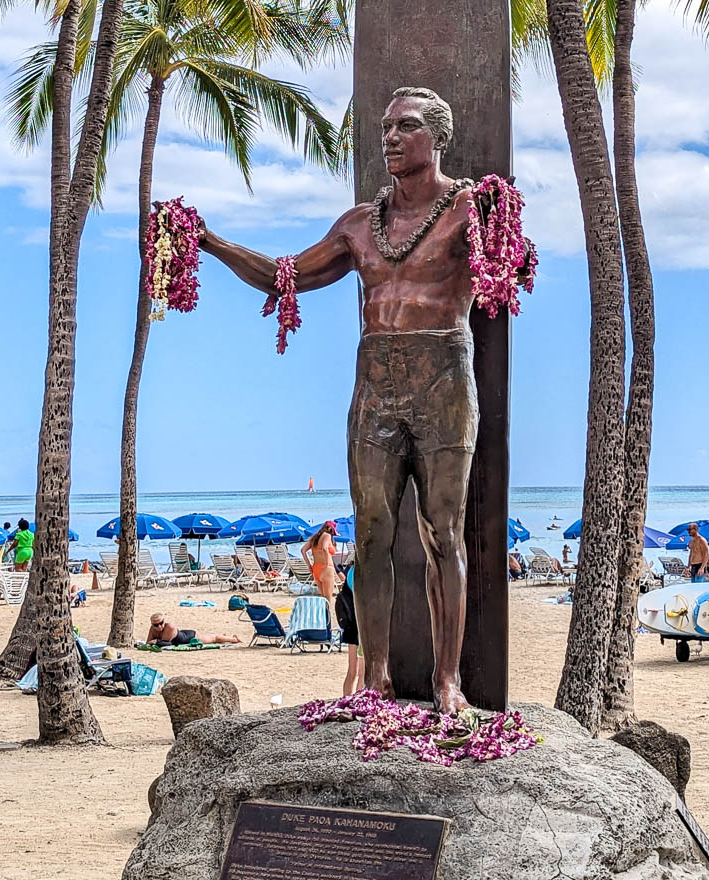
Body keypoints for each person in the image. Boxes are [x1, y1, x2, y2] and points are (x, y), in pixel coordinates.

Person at [199, 87, 533, 713]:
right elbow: (285, 276)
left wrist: (500, 221)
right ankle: (375, 681)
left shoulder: (471, 210)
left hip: (444, 381)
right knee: (373, 532)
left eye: (405, 126)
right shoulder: (359, 225)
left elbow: (506, 277)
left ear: (437, 137)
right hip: (375, 383)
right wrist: (210, 242)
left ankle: (448, 684)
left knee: (443, 534)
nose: (390, 137)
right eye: (384, 126)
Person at [335, 566, 365, 697]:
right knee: (363, 673)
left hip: (349, 624)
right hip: (362, 625)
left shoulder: (350, 571)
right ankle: (359, 703)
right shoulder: (363, 571)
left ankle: (346, 700)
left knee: (352, 671)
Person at [302, 521, 339, 622]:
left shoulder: (315, 538)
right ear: (331, 529)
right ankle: (327, 624)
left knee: (323, 599)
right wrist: (327, 562)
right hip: (326, 569)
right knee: (328, 600)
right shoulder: (327, 535)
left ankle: (321, 622)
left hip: (316, 569)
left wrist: (309, 565)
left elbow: (303, 550)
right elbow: (324, 548)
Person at [146, 613, 242, 646]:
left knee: (214, 639)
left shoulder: (169, 627)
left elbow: (166, 643)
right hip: (181, 634)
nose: (158, 627)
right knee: (211, 636)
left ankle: (234, 639)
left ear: (164, 621)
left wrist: (155, 641)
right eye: (155, 625)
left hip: (189, 637)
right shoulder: (152, 628)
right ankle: (224, 636)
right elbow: (148, 642)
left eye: (161, 623)